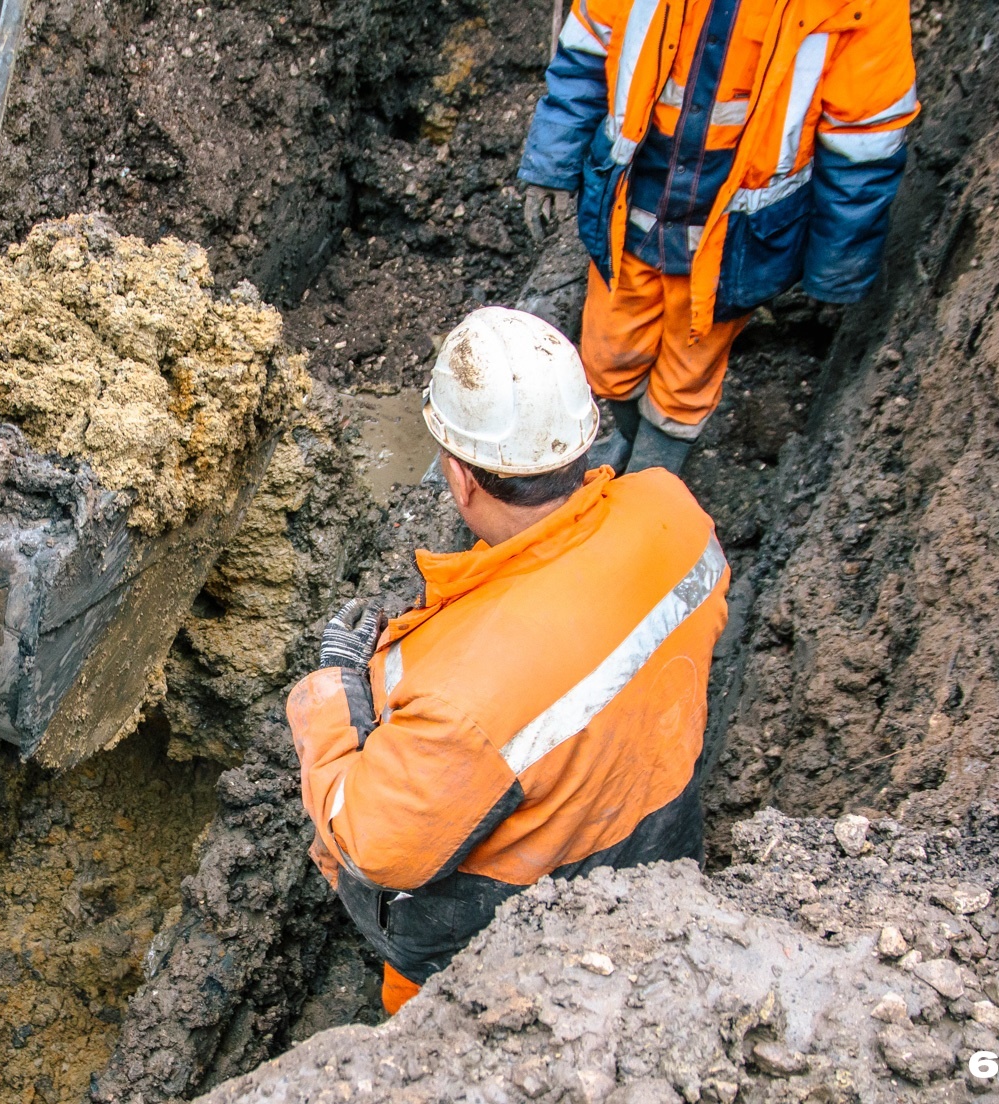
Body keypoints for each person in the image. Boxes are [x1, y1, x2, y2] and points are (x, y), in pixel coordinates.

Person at [288, 307, 730, 1014]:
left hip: (506, 924)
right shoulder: (672, 512)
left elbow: (373, 843)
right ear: (582, 443)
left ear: (460, 478)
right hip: (658, 841)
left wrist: (337, 692)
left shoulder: (461, 693)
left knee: (432, 1009)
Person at [518, 0, 918, 473]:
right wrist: (551, 163)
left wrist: (836, 264)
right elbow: (586, 53)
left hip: (735, 241)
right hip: (631, 212)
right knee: (609, 353)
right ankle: (627, 441)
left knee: (686, 379)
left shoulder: (856, 7)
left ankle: (653, 478)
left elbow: (864, 137)